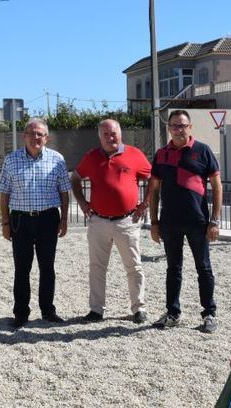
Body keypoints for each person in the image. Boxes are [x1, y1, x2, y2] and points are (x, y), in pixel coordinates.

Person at [148, 110, 222, 333]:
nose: (179, 130)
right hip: (169, 223)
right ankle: (172, 312)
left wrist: (215, 220)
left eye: (183, 125)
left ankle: (209, 313)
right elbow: (154, 191)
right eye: (174, 126)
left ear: (190, 127)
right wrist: (154, 222)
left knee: (204, 268)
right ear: (168, 128)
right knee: (173, 269)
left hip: (198, 222)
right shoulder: (161, 154)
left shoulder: (203, 151)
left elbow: (217, 187)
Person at [71, 119, 151, 324]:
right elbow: (76, 177)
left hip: (127, 221)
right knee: (97, 267)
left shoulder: (135, 155)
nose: (110, 137)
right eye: (105, 134)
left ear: (120, 133)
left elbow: (153, 179)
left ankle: (139, 308)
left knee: (134, 267)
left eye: (113, 133)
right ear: (100, 136)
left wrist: (145, 203)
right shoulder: (91, 157)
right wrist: (81, 201)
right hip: (99, 221)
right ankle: (96, 310)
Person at [0, 118, 71, 328]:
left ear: (46, 138)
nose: (36, 137)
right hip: (20, 219)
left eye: (40, 134)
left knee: (47, 267)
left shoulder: (57, 160)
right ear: (24, 136)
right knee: (22, 268)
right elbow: (4, 193)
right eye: (32, 133)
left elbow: (64, 192)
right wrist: (5, 222)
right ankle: (21, 313)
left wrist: (64, 219)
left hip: (48, 218)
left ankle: (48, 310)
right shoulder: (11, 160)